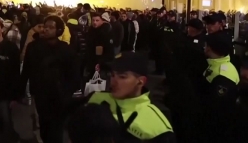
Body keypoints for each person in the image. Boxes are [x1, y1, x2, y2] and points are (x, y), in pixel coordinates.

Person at [88, 52, 175, 142]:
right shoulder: (97, 98)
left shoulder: (157, 126)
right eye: (112, 75)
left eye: (122, 77)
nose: (113, 82)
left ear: (141, 81)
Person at [20, 15, 78, 143]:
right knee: (44, 126)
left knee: (56, 129)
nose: (46, 30)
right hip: (41, 95)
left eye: (51, 27)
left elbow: (74, 75)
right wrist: (20, 92)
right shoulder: (33, 48)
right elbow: (26, 71)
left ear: (59, 30)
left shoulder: (66, 50)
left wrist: (67, 92)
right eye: (45, 27)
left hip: (59, 96)